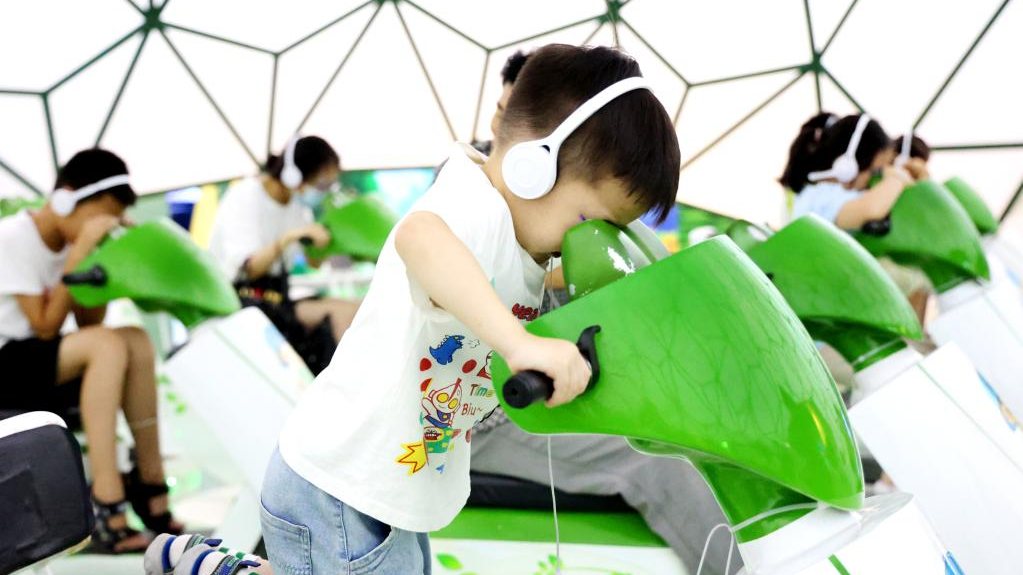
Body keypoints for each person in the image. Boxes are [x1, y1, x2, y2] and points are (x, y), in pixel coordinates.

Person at [259, 44, 681, 574]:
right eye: (586, 223)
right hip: (340, 490)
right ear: (534, 168)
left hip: (388, 489)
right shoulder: (473, 206)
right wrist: (520, 343)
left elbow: (521, 274)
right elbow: (420, 236)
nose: (585, 244)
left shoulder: (523, 236)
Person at [468, 51, 735, 574]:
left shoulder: (554, 199)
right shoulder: (469, 200)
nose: (500, 125)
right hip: (486, 420)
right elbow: (432, 246)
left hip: (541, 392)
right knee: (658, 463)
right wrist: (545, 293)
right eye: (502, 110)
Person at [0, 148, 181, 553]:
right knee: (107, 344)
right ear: (65, 198)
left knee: (133, 337)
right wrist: (81, 250)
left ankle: (149, 482)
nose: (99, 226)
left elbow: (88, 323)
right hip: (7, 364)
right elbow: (45, 326)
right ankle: (105, 497)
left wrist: (105, 257)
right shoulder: (12, 236)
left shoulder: (71, 243)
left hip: (39, 364)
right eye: (98, 215)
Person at [208, 136, 360, 374]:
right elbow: (251, 267)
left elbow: (313, 261)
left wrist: (337, 243)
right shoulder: (246, 196)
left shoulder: (297, 207)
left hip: (278, 298)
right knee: (341, 313)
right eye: (321, 185)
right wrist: (290, 237)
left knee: (356, 308)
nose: (322, 192)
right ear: (295, 175)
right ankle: (343, 389)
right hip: (240, 299)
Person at [780, 112, 914, 230]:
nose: (872, 178)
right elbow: (871, 209)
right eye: (874, 171)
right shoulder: (818, 195)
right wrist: (896, 178)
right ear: (848, 166)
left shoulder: (832, 192)